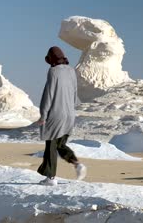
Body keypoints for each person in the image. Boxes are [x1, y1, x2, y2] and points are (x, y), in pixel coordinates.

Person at [35, 46, 86, 186]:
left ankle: (50, 178)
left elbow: (49, 94)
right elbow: (75, 93)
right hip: (70, 114)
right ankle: (77, 164)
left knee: (51, 145)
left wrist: (43, 115)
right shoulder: (71, 71)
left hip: (56, 114)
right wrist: (71, 108)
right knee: (60, 144)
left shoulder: (53, 71)